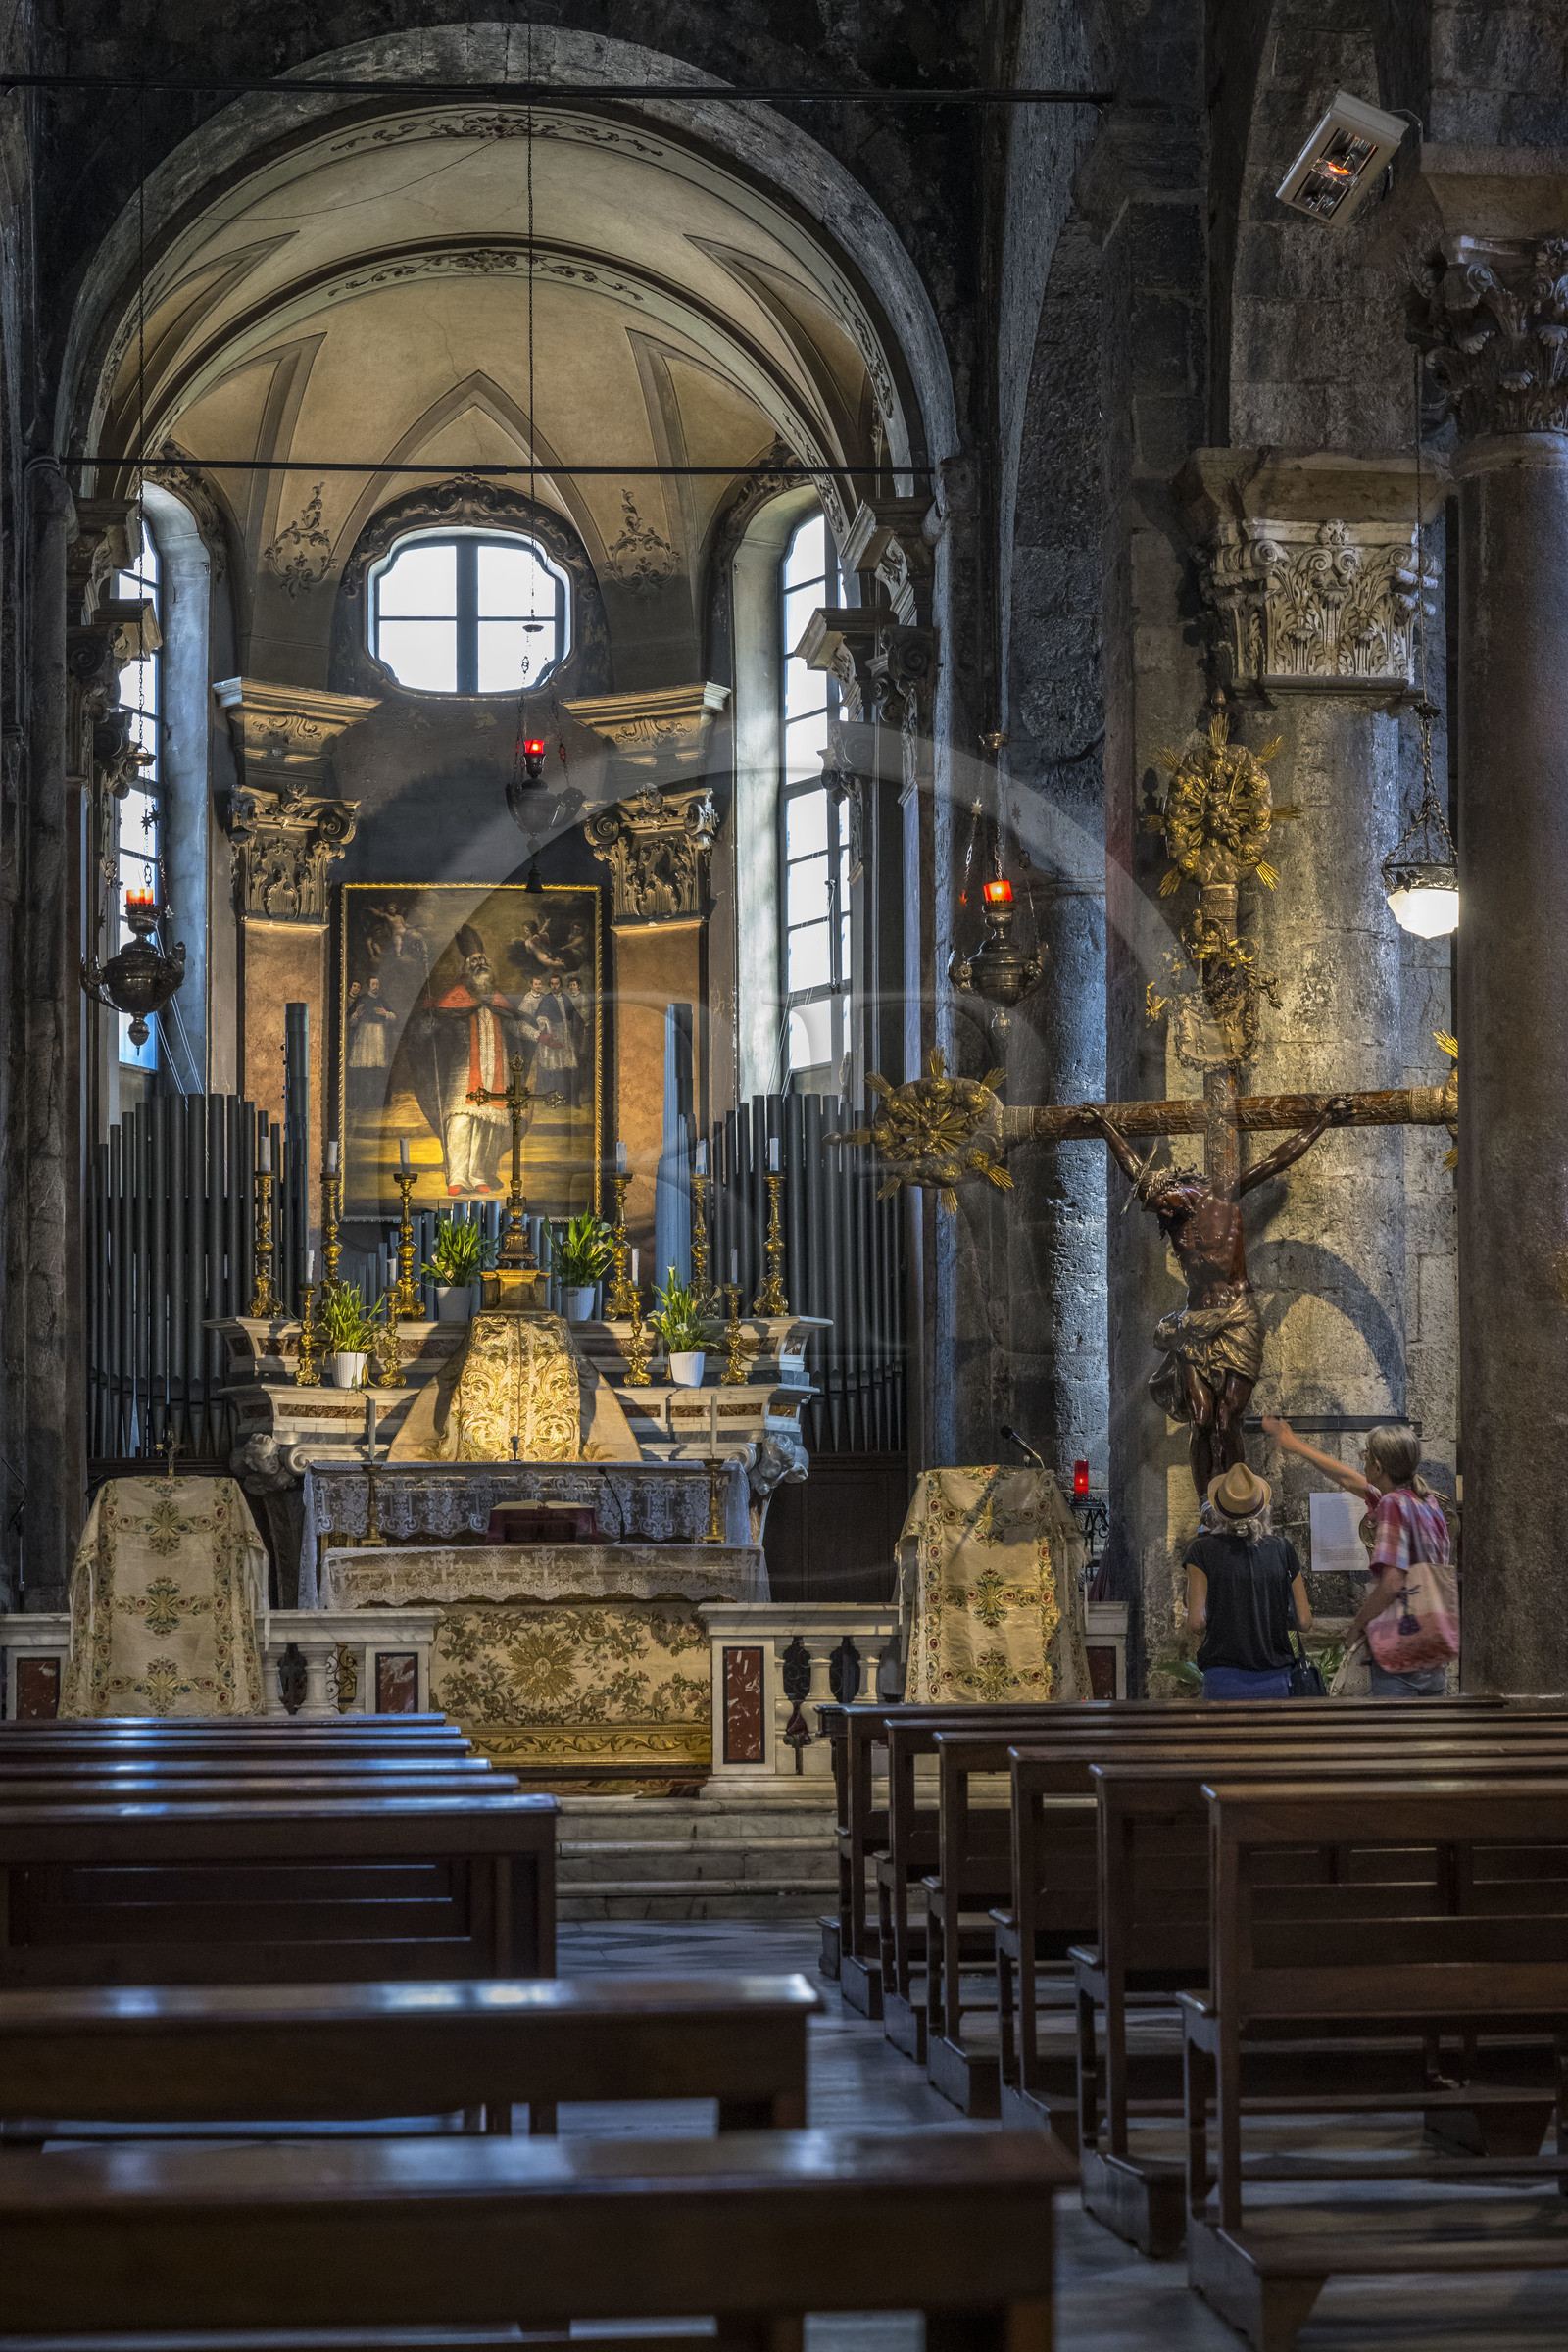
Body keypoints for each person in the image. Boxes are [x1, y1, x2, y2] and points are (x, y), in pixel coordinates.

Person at [1261, 1417, 1457, 1697]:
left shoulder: (1392, 1504)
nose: (1363, 1462)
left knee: (1390, 1738)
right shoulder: (1427, 1502)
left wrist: (1358, 1624)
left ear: (1378, 1466)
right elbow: (1347, 1478)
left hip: (1402, 1652)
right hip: (1433, 1653)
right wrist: (1296, 1445)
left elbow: (1392, 1583)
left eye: (1366, 1454)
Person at [1183, 1459, 1311, 1701]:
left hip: (1222, 1681)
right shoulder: (1283, 1549)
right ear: (1261, 1508)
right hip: (1277, 1680)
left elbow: (1197, 1623)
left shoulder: (1200, 1551)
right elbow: (1304, 1621)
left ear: (1218, 1510)